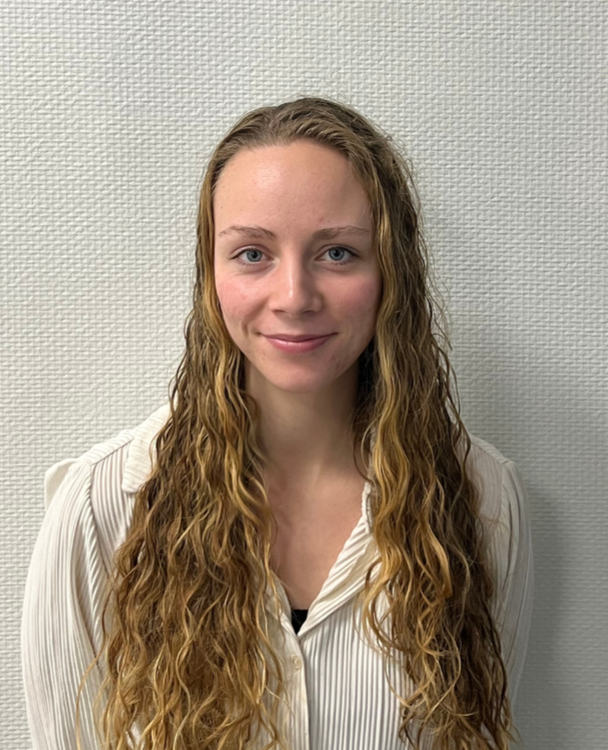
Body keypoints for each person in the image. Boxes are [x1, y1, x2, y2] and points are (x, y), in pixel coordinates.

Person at [21, 96, 534, 750]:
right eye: (252, 253)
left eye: (338, 253)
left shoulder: (482, 501)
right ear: (210, 274)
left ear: (391, 270)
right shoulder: (100, 507)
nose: (294, 297)